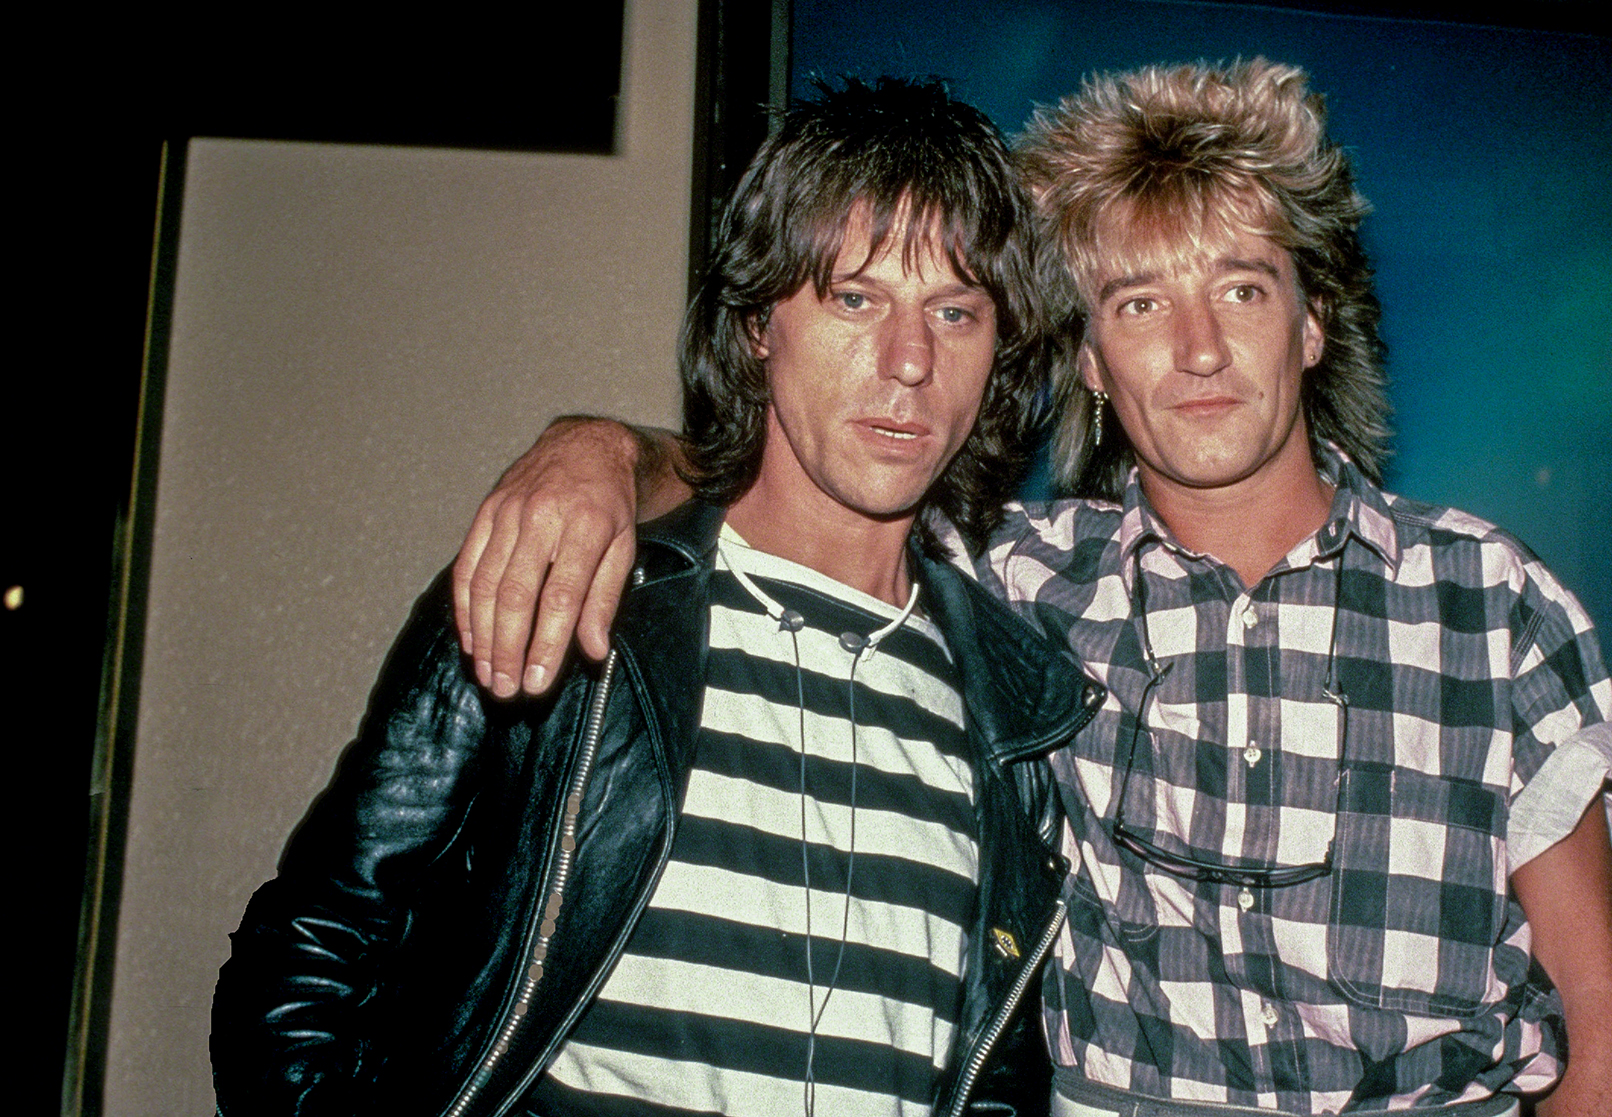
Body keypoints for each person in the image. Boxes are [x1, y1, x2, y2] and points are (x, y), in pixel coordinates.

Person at [457, 60, 1612, 1116]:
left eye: (1238, 288)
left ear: (1312, 325)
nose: (1194, 351)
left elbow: (1595, 1027)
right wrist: (596, 447)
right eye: (1137, 303)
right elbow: (799, 467)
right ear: (1086, 359)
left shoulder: (1486, 598)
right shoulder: (1014, 592)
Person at [210, 77, 1102, 1117]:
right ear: (760, 321)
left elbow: (999, 1077)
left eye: (954, 312)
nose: (908, 361)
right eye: (854, 299)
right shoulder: (568, 591)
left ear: (998, 354)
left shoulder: (1018, 708)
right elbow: (309, 955)